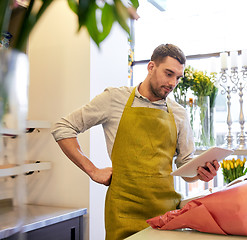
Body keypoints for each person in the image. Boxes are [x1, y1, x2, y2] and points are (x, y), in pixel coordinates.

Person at [51, 43, 220, 239]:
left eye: (178, 77)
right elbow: (63, 128)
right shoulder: (114, 99)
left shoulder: (179, 113)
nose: (173, 82)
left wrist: (201, 174)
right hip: (122, 213)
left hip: (165, 216)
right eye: (168, 74)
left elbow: (185, 166)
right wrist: (92, 170)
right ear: (151, 67)